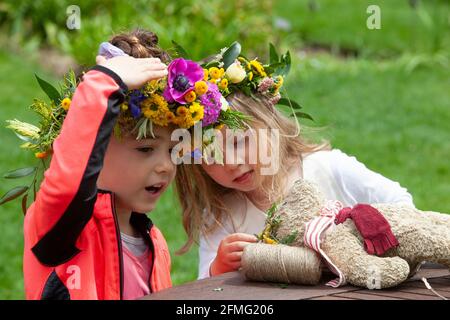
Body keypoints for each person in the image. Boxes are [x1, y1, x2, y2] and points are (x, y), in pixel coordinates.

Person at [174, 46, 415, 280]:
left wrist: (361, 234)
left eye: (239, 142)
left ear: (270, 124)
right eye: (211, 154)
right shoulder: (222, 214)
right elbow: (205, 289)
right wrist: (218, 268)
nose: (232, 162)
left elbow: (402, 204)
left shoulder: (327, 168)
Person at [21, 29, 177, 299]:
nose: (166, 166)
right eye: (145, 148)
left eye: (174, 151)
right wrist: (104, 83)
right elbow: (69, 184)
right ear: (97, 145)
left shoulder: (155, 242)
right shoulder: (61, 226)